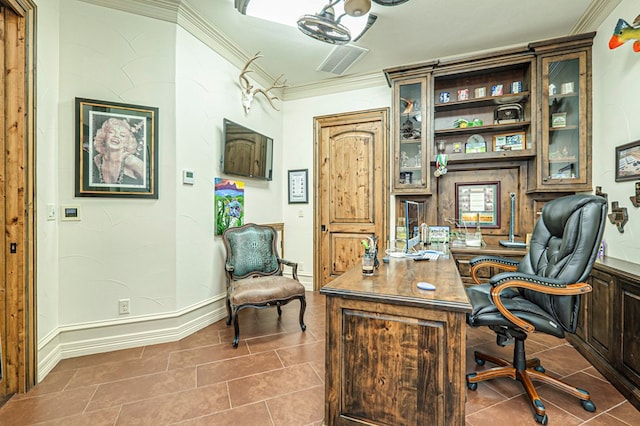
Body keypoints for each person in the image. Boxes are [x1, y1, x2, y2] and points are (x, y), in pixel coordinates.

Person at [92, 117, 144, 185]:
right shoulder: (97, 159)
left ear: (128, 142)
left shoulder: (133, 162)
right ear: (104, 136)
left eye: (122, 135)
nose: (116, 136)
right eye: (111, 132)